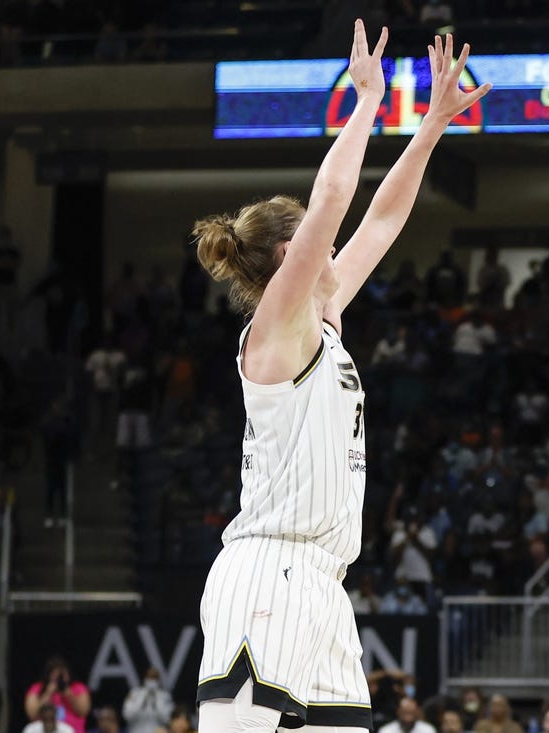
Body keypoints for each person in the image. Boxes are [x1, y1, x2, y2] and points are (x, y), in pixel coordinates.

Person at [192, 22, 490, 732]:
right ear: (294, 251)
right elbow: (333, 202)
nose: (335, 245)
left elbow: (381, 221)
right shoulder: (278, 325)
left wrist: (430, 129)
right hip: (266, 569)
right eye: (316, 238)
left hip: (323, 582)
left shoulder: (323, 311)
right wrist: (366, 104)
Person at [24, 658, 91, 733]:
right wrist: (47, 693)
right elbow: (32, 715)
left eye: (62, 675)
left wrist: (68, 694)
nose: (59, 679)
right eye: (55, 675)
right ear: (49, 675)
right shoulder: (38, 688)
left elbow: (83, 712)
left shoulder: (78, 688)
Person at [122, 668, 173, 733]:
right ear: (145, 678)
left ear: (158, 679)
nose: (152, 680)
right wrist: (142, 702)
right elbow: (126, 715)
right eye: (149, 677)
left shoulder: (165, 696)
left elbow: (169, 719)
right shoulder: (134, 693)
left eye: (154, 677)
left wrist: (156, 704)